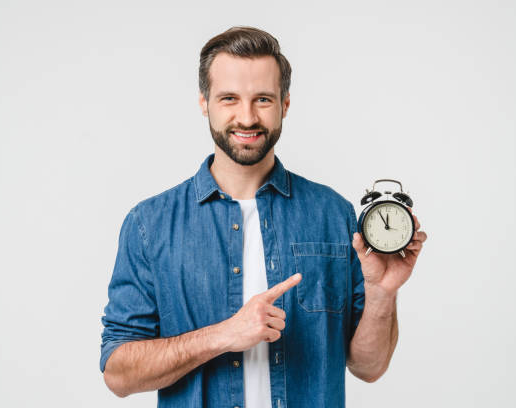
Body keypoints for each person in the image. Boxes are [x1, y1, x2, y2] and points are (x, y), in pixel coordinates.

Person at [100, 26, 427, 408]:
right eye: (229, 99)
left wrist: (382, 293)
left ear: (285, 104)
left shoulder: (334, 215)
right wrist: (223, 335)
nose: (247, 117)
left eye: (263, 100)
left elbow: (369, 367)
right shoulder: (149, 225)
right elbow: (118, 373)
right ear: (204, 103)